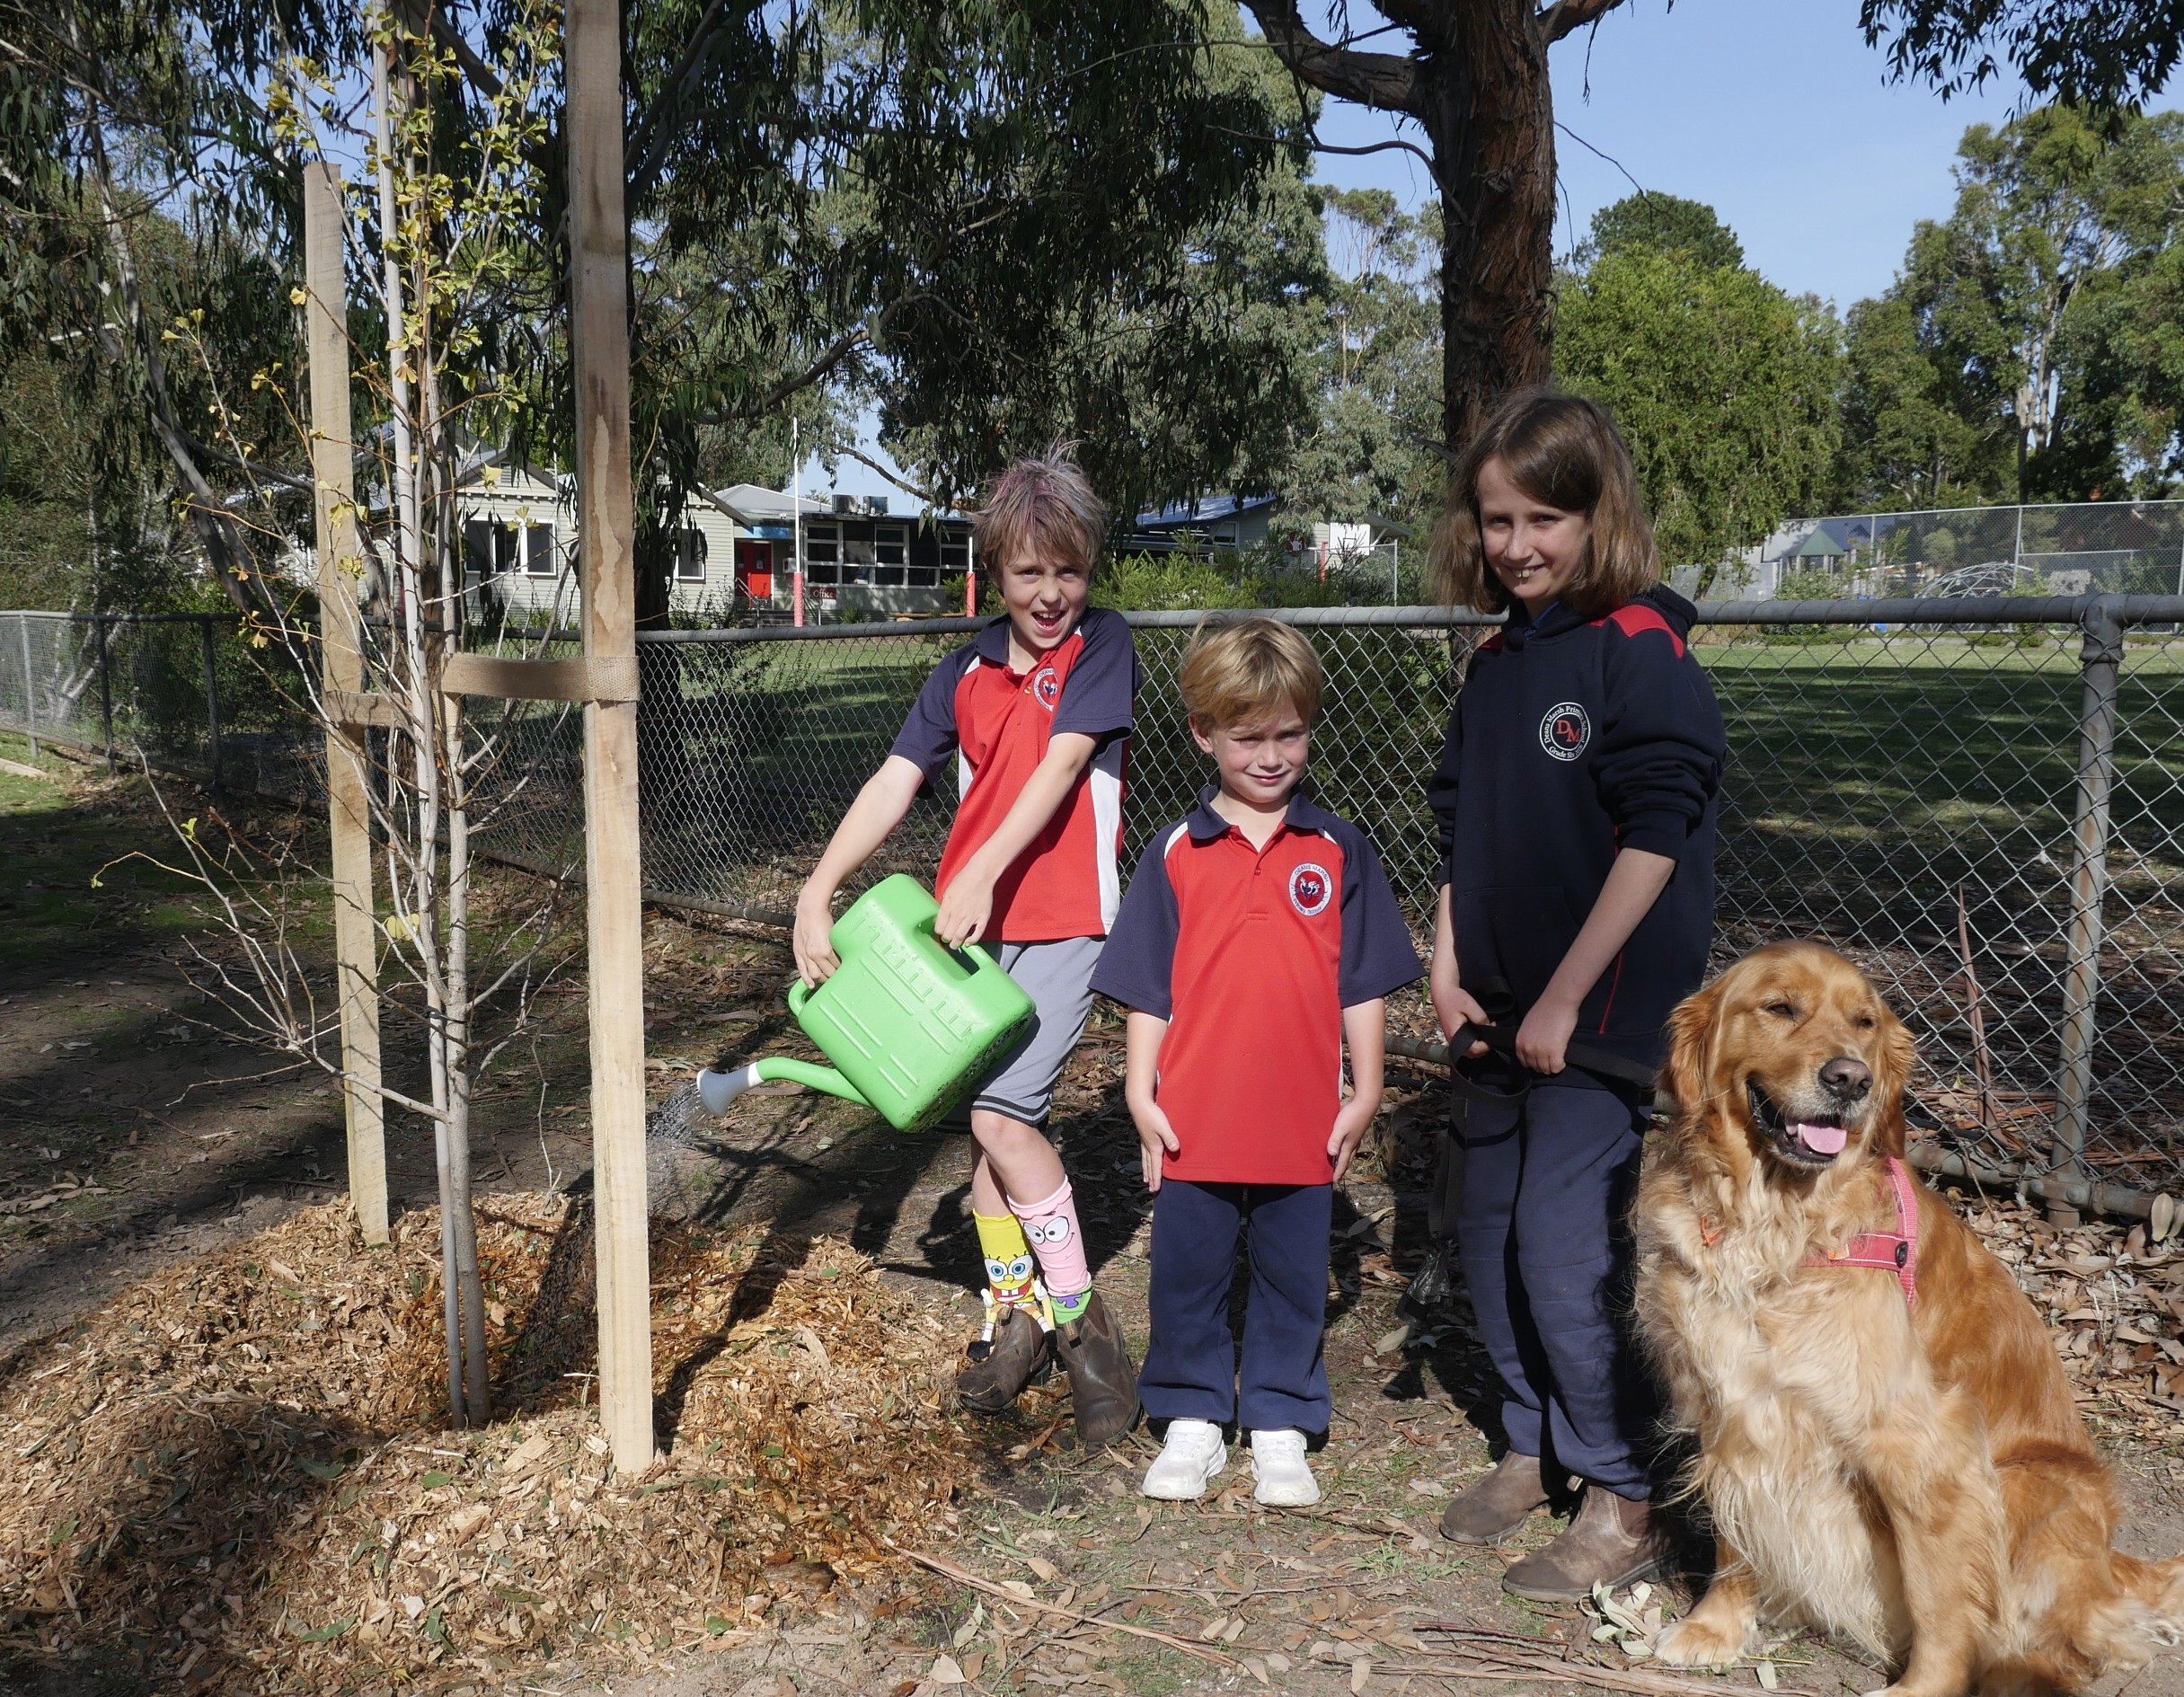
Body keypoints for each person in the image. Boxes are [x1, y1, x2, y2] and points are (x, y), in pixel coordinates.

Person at [1423, 391, 1726, 1598]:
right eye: (1495, 519)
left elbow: (1656, 833)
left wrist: (1560, 998)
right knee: (1488, 1235)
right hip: (1493, 1011)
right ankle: (1526, 1438)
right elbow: (1457, 829)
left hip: (1591, 1020)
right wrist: (1447, 964)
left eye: (1542, 516)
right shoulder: (1497, 659)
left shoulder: (1638, 645)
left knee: (1561, 1248)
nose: (1515, 544)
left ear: (1597, 514)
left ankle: (1619, 1492)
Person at [791, 448, 1140, 1445]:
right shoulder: (964, 670)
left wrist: (983, 867)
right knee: (992, 1128)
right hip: (969, 937)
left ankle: (1085, 1328)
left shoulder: (1101, 647)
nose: (1051, 593)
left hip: (1066, 916)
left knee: (1001, 1114)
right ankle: (1016, 1315)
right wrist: (820, 889)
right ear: (995, 571)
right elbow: (895, 780)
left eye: (1067, 571)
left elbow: (1062, 766)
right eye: (1030, 573)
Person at [1092, 619, 1422, 1507]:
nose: (1270, 755)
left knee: (1288, 1271)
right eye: (1248, 736)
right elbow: (1147, 989)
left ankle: (1279, 1416)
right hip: (1195, 1113)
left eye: (1288, 733)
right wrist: (1138, 1089)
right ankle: (1193, 1414)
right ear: (1204, 732)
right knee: (1187, 1270)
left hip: (1299, 1117)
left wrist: (1367, 1085)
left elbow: (1362, 982)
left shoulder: (1337, 849)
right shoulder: (1174, 851)